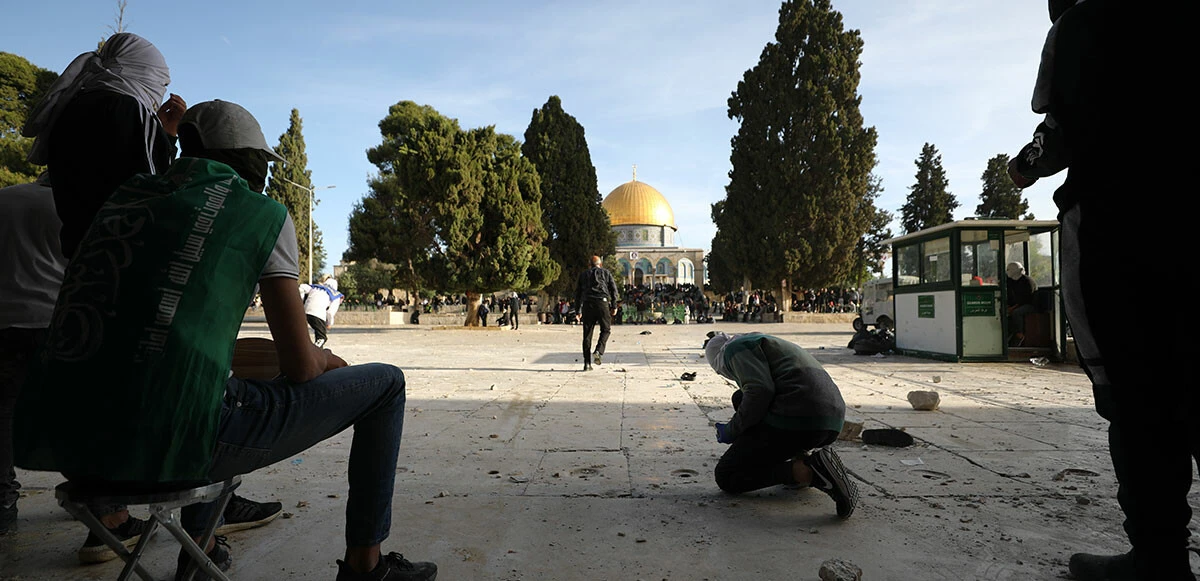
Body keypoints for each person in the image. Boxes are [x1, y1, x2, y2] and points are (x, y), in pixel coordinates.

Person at [13, 101, 437, 581]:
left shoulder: (125, 201)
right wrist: (323, 359)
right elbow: (300, 367)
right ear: (248, 160)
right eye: (262, 164)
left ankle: (203, 547)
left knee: (206, 385)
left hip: (75, 451)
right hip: (175, 447)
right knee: (386, 385)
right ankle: (367, 567)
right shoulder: (259, 213)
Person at [1009, 2, 1192, 579]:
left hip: (1118, 228)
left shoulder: (1086, 24)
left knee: (1134, 396)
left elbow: (1057, 135)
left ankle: (1159, 558)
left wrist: (1022, 167)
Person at [23, 32, 186, 259]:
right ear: (142, 71)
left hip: (82, 248)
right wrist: (166, 136)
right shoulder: (129, 107)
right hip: (123, 253)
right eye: (162, 81)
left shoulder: (72, 106)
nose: (162, 89)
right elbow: (157, 188)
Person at [703, 332, 857, 519]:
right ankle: (800, 456)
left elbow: (759, 392)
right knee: (740, 397)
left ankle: (810, 470)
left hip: (799, 417)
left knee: (727, 475)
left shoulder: (733, 350)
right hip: (829, 420)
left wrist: (731, 430)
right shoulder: (759, 341)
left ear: (719, 362)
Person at [0, 176, 65, 537]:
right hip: (54, 319)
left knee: (2, 415)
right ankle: (101, 507)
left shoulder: (5, 199)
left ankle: (2, 503)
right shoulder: (71, 207)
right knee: (77, 413)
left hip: (4, 323)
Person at [574, 256, 618, 371]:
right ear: (600, 264)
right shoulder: (606, 273)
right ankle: (599, 351)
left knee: (587, 334)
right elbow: (613, 290)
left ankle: (587, 363)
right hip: (602, 303)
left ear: (589, 265)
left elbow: (578, 294)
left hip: (587, 304)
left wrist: (578, 311)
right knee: (606, 329)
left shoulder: (583, 275)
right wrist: (614, 305)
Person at [301, 277, 345, 347]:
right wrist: (329, 323)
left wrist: (301, 301)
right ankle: (316, 351)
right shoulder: (336, 295)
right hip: (318, 315)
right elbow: (330, 312)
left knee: (317, 334)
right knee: (322, 338)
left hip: (305, 312)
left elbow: (302, 287)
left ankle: (317, 350)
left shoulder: (315, 287)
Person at [1005, 262, 1038, 346]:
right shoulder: (1012, 281)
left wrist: (1012, 308)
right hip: (1018, 305)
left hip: (1031, 305)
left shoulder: (1027, 281)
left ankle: (1019, 334)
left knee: (1017, 313)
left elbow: (1026, 299)